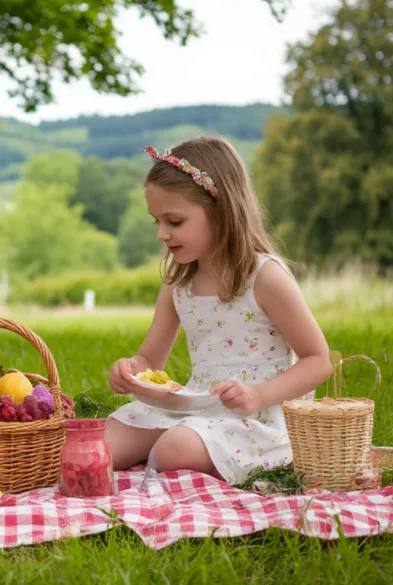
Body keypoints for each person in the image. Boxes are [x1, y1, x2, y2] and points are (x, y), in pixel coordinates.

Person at [105, 136, 331, 484]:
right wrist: (131, 371)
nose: (162, 235)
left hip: (255, 417)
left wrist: (256, 396)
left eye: (174, 222)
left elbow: (318, 360)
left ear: (220, 210)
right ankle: (177, 449)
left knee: (173, 450)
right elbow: (150, 361)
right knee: (100, 444)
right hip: (193, 407)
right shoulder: (178, 282)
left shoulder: (264, 277)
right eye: (157, 222)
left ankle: (191, 453)